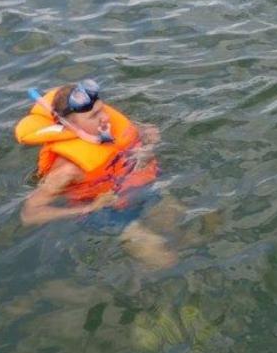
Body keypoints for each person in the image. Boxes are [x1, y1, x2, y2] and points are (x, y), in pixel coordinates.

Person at [14, 80, 175, 267]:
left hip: (135, 187)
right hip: (104, 212)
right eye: (94, 116)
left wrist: (148, 147)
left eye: (102, 109)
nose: (105, 117)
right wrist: (89, 208)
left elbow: (147, 131)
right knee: (165, 260)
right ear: (68, 125)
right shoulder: (68, 169)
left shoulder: (112, 127)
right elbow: (30, 214)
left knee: (182, 227)